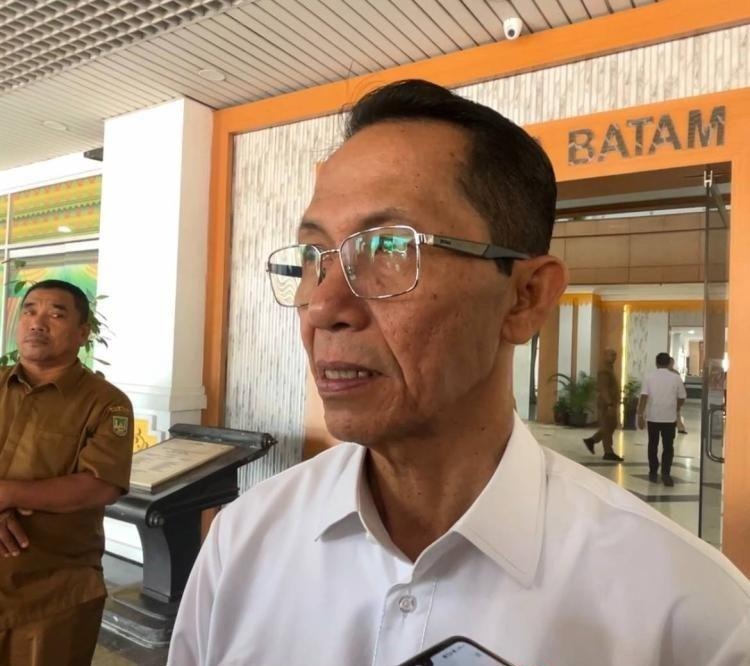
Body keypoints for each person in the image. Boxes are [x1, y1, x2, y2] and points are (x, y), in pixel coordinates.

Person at [168, 81, 749, 665]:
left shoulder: (692, 620)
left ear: (525, 298)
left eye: (390, 248)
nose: (322, 307)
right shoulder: (243, 542)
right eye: (313, 257)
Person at [0, 280, 134, 666]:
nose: (37, 322)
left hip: (52, 591)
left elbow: (99, 485)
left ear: (82, 333)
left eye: (56, 314)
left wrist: (8, 494)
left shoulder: (106, 403)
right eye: (30, 311)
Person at [637, 352, 687, 487]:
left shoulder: (649, 376)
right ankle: (666, 474)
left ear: (656, 363)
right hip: (669, 418)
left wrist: (640, 415)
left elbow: (643, 397)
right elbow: (682, 397)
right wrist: (676, 408)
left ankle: (653, 471)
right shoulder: (676, 378)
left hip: (653, 417)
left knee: (652, 445)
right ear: (669, 363)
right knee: (668, 447)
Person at [582, 348, 623, 461]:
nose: (614, 357)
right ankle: (608, 452)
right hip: (606, 403)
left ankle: (592, 440)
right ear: (605, 355)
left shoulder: (609, 369)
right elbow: (603, 388)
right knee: (607, 426)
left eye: (615, 355)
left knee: (611, 425)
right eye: (611, 355)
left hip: (611, 402)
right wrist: (609, 404)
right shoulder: (604, 370)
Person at [668, 355, 688, 434]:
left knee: (677, 412)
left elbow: (680, 385)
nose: (672, 364)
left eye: (673, 363)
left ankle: (680, 428)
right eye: (670, 363)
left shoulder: (675, 373)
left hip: (674, 396)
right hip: (667, 396)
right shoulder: (664, 373)